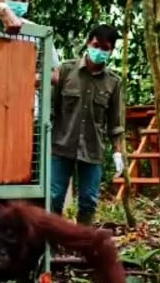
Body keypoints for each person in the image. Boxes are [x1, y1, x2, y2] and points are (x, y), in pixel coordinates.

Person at [50, 24, 124, 226]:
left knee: (88, 201)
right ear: (88, 42)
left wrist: (118, 152)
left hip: (93, 149)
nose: (99, 51)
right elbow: (51, 109)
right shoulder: (66, 71)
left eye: (105, 48)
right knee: (53, 198)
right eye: (96, 45)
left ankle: (81, 246)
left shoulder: (113, 82)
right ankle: (51, 247)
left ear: (111, 50)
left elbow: (115, 123)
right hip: (60, 146)